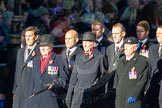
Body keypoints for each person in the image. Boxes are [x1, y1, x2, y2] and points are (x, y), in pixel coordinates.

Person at [65, 31, 108, 108]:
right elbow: (73, 79)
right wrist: (68, 97)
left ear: (94, 44)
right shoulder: (78, 56)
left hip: (93, 98)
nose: (84, 44)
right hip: (77, 97)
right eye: (83, 42)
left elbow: (103, 78)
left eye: (88, 42)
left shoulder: (100, 57)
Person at [29, 34, 69, 108]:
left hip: (52, 100)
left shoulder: (60, 59)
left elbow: (64, 80)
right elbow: (32, 82)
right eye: (41, 46)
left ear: (52, 46)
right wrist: (30, 100)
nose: (42, 48)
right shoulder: (35, 61)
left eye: (45, 46)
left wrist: (55, 85)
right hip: (36, 101)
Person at [113, 37, 149, 108]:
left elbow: (142, 81)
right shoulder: (121, 60)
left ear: (135, 48)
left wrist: (134, 95)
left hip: (133, 100)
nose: (125, 48)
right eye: (125, 46)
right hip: (120, 99)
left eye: (128, 46)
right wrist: (116, 91)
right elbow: (117, 78)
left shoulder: (142, 62)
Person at [12, 26, 40, 108]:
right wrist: (15, 90)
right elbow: (17, 71)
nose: (27, 39)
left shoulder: (40, 51)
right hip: (20, 91)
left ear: (36, 37)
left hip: (32, 90)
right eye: (26, 36)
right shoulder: (20, 51)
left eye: (30, 36)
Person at [105, 22, 126, 108]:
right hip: (110, 84)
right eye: (113, 34)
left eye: (117, 33)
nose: (114, 36)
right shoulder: (109, 48)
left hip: (122, 84)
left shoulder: (128, 47)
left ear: (123, 34)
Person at [143, 25, 162, 108]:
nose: (157, 35)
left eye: (160, 33)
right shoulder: (152, 48)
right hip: (152, 88)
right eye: (157, 33)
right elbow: (149, 69)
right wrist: (147, 87)